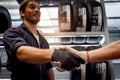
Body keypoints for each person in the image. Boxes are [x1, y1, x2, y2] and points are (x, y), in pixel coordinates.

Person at [3, 0, 85, 80]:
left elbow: (48, 68)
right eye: (32, 7)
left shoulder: (43, 41)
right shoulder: (13, 33)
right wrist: (54, 53)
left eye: (38, 8)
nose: (37, 10)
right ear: (22, 13)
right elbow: (22, 53)